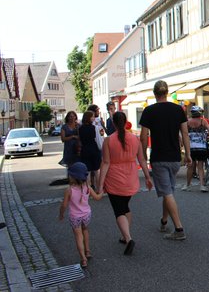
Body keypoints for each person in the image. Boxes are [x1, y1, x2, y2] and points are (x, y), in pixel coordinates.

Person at [139, 80, 192, 241]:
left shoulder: (149, 111)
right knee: (168, 191)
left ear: (155, 94)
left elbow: (143, 136)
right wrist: (188, 154)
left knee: (167, 192)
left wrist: (143, 155)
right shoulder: (178, 109)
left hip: (159, 158)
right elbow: (185, 133)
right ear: (167, 93)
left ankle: (179, 229)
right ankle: (164, 221)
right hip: (175, 158)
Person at [97, 111, 152, 256]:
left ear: (114, 123)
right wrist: (147, 177)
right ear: (125, 121)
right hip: (130, 178)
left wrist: (100, 184)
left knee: (119, 210)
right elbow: (142, 160)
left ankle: (128, 238)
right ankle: (124, 235)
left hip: (114, 179)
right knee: (125, 207)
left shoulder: (108, 140)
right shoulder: (135, 139)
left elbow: (106, 163)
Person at [58, 162, 103, 269]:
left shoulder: (69, 190)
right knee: (85, 230)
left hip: (75, 217)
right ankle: (88, 251)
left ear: (72, 177)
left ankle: (83, 259)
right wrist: (101, 191)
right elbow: (97, 198)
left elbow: (64, 205)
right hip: (86, 215)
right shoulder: (87, 187)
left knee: (78, 236)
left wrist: (61, 214)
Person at [182, 106, 209, 192]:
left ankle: (187, 185)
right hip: (201, 147)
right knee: (200, 166)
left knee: (190, 167)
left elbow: (184, 134)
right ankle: (202, 185)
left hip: (191, 148)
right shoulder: (202, 121)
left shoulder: (187, 122)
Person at [79, 111, 102, 189]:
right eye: (92, 116)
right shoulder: (94, 128)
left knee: (87, 171)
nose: (93, 118)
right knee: (96, 170)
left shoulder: (80, 128)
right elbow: (98, 140)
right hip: (94, 150)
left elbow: (80, 140)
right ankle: (99, 188)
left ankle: (88, 190)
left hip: (84, 150)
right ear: (89, 118)